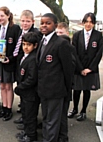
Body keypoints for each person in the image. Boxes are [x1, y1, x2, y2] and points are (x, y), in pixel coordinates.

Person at [36, 13, 72, 142]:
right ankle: (61, 138)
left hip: (56, 90)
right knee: (47, 118)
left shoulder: (61, 43)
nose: (44, 25)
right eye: (42, 23)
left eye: (48, 23)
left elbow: (68, 69)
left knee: (52, 121)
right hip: (43, 89)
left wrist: (67, 90)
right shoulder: (42, 41)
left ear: (55, 25)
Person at [68, 12, 103, 121]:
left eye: (91, 22)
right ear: (83, 22)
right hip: (78, 68)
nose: (88, 24)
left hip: (90, 69)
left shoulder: (98, 35)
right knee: (77, 90)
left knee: (86, 90)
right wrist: (80, 68)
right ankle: (74, 109)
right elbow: (74, 52)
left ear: (93, 23)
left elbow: (99, 53)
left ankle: (83, 111)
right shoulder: (77, 35)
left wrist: (90, 69)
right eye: (86, 22)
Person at [0, 6, 21, 121]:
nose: (0, 18)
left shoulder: (15, 28)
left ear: (8, 15)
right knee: (1, 86)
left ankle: (8, 109)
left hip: (9, 62)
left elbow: (18, 46)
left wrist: (11, 58)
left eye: (2, 15)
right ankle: (3, 108)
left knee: (8, 86)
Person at [12, 10, 42, 126]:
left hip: (30, 66)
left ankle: (29, 121)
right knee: (23, 95)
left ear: (33, 22)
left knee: (28, 97)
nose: (25, 23)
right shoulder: (19, 31)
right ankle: (24, 116)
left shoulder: (35, 33)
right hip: (20, 64)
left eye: (28, 21)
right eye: (23, 21)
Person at [14, 32, 39, 142]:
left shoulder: (33, 59)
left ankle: (31, 136)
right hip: (25, 93)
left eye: (29, 45)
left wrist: (20, 87)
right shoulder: (25, 56)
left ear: (35, 46)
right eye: (24, 44)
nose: (25, 47)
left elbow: (32, 78)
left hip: (30, 93)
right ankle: (27, 131)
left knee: (30, 115)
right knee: (25, 112)